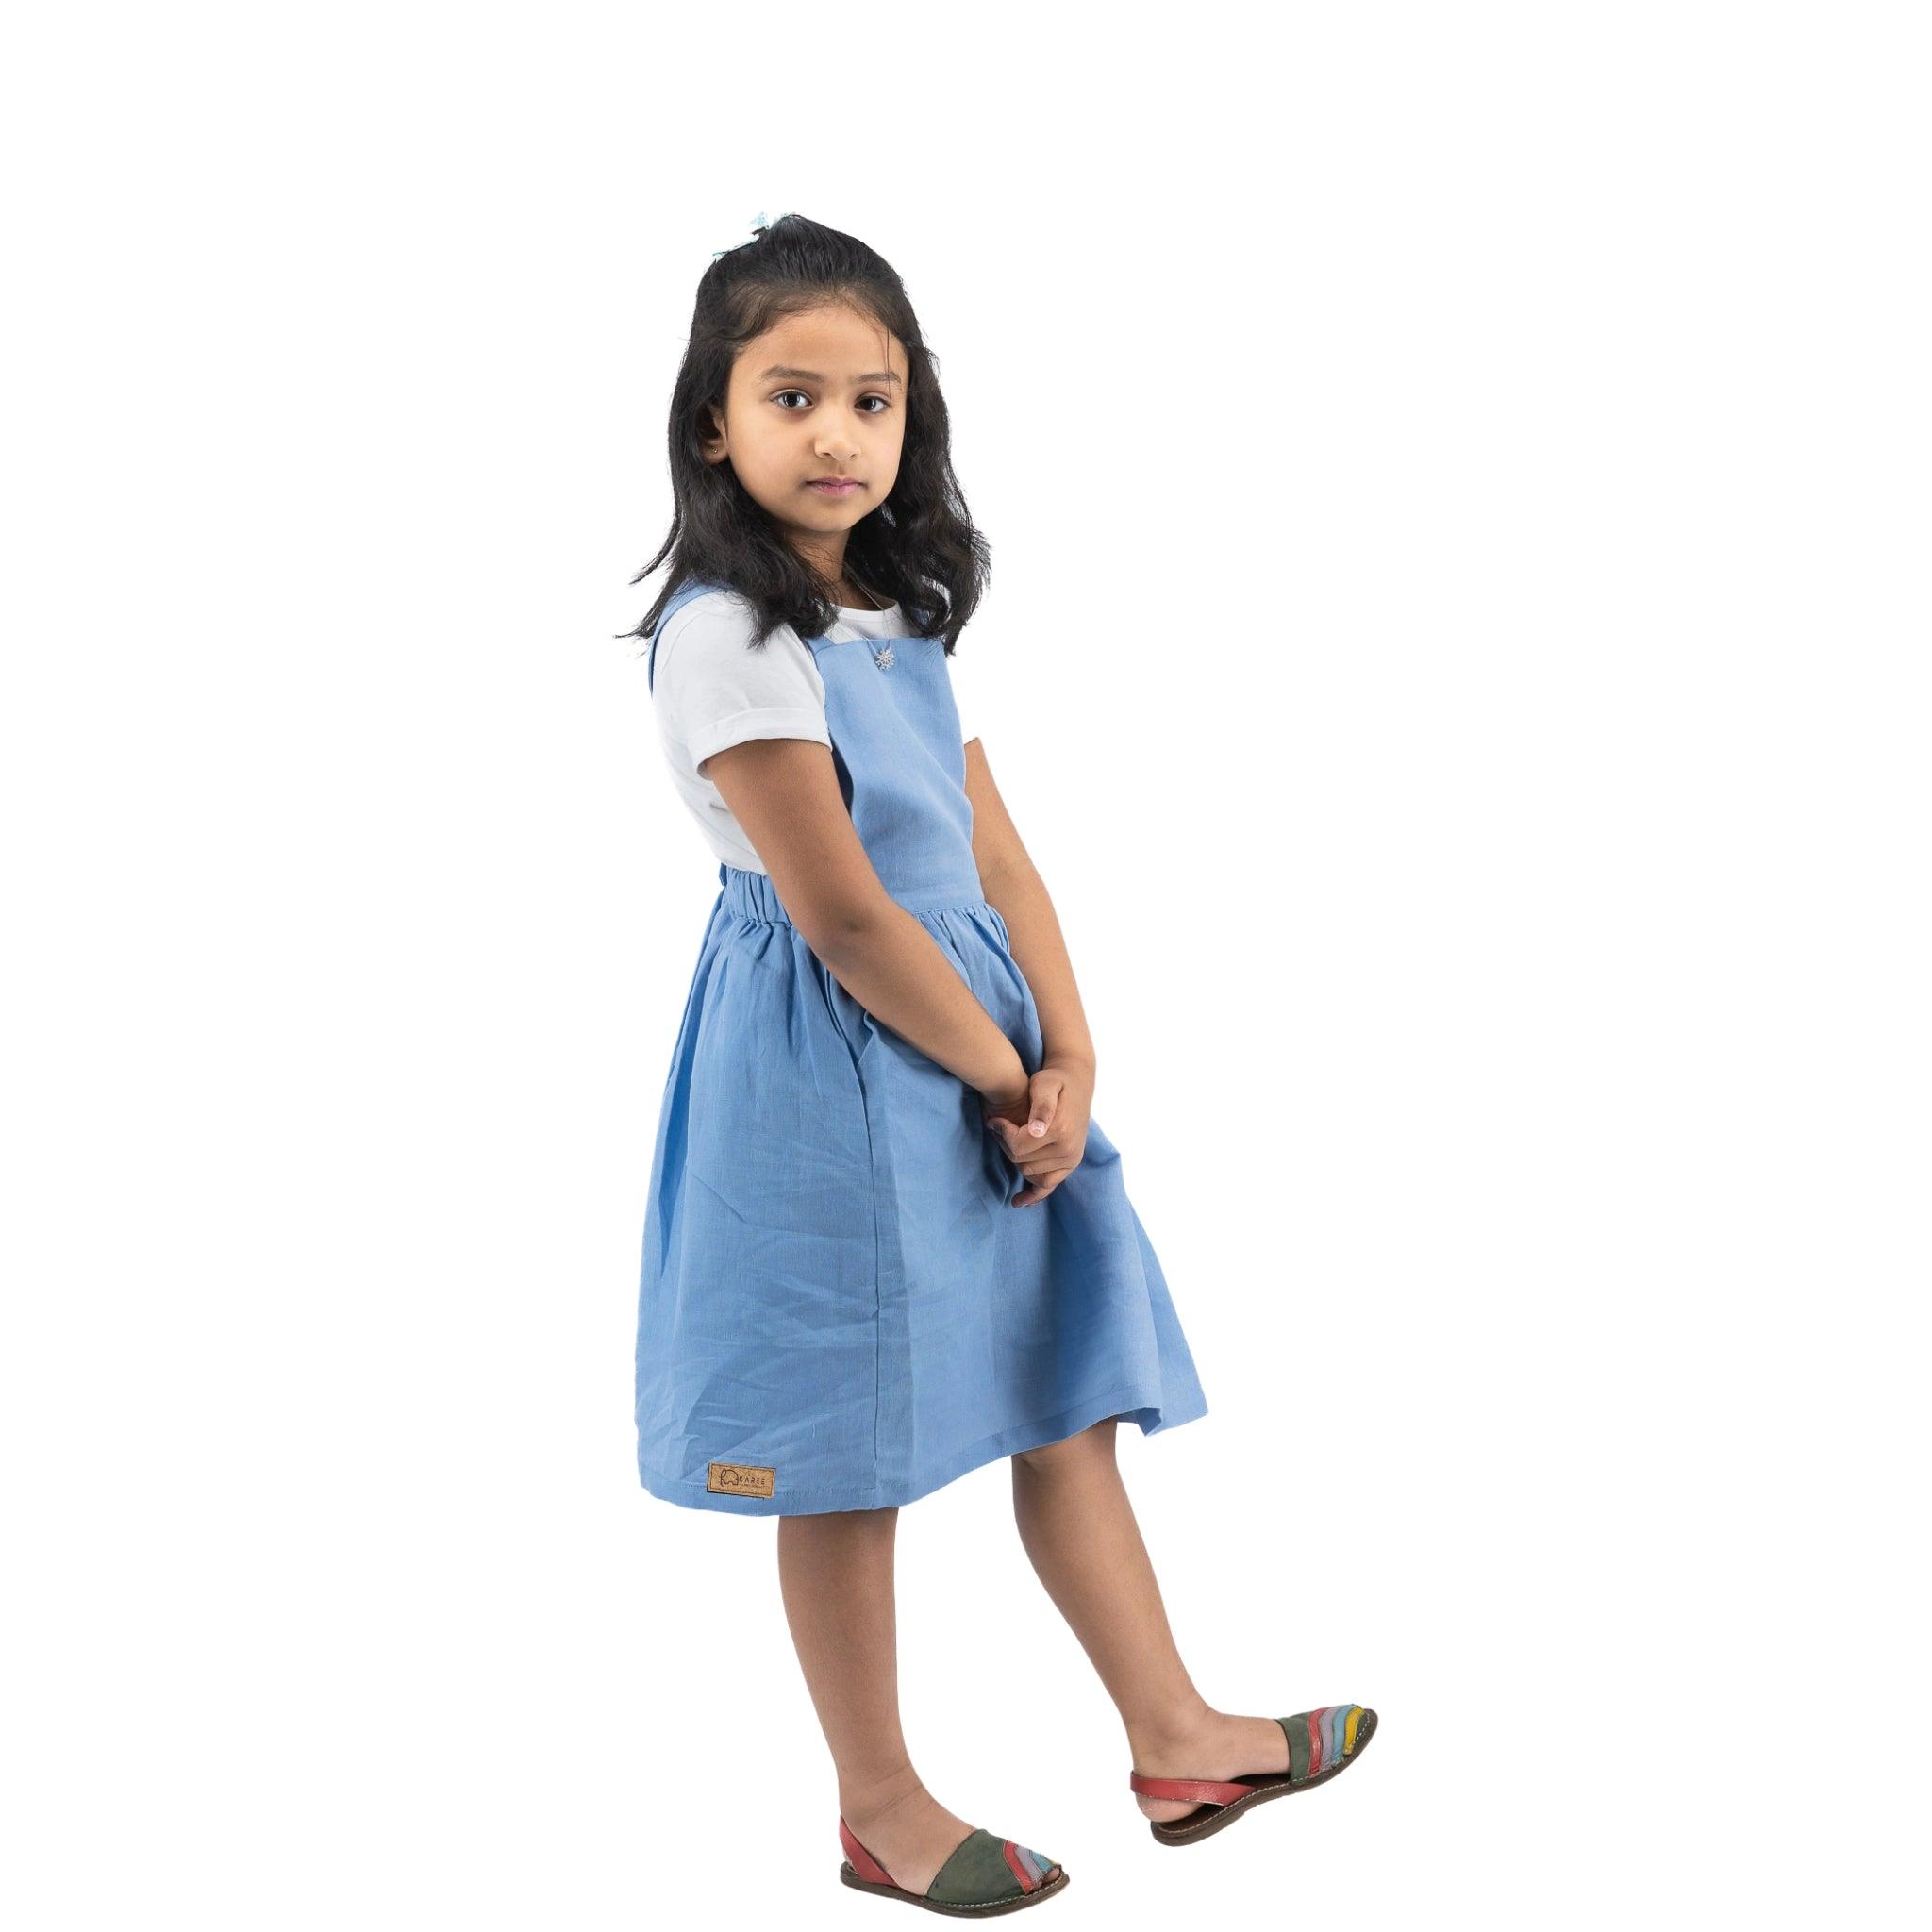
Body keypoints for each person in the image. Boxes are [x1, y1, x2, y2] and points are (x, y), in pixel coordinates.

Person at [622, 211, 1376, 1915]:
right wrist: (995, 1074)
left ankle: (1178, 1733)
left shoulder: (893, 604)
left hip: (984, 1047)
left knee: (1061, 1392)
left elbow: (990, 848)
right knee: (843, 1457)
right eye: (792, 395)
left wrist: (1072, 1051)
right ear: (710, 423)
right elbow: (847, 916)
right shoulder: (729, 633)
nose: (836, 435)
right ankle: (879, 1806)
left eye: (873, 401)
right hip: (841, 1066)